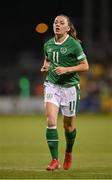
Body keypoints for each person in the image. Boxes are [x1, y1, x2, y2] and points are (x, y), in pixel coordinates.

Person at [41, 14, 89, 171]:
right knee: (50, 121)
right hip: (52, 85)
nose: (57, 25)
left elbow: (85, 66)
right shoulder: (48, 44)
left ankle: (68, 152)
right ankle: (54, 160)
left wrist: (67, 69)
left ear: (68, 28)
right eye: (55, 22)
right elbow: (48, 59)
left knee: (68, 127)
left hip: (70, 88)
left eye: (61, 23)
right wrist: (45, 66)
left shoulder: (74, 44)